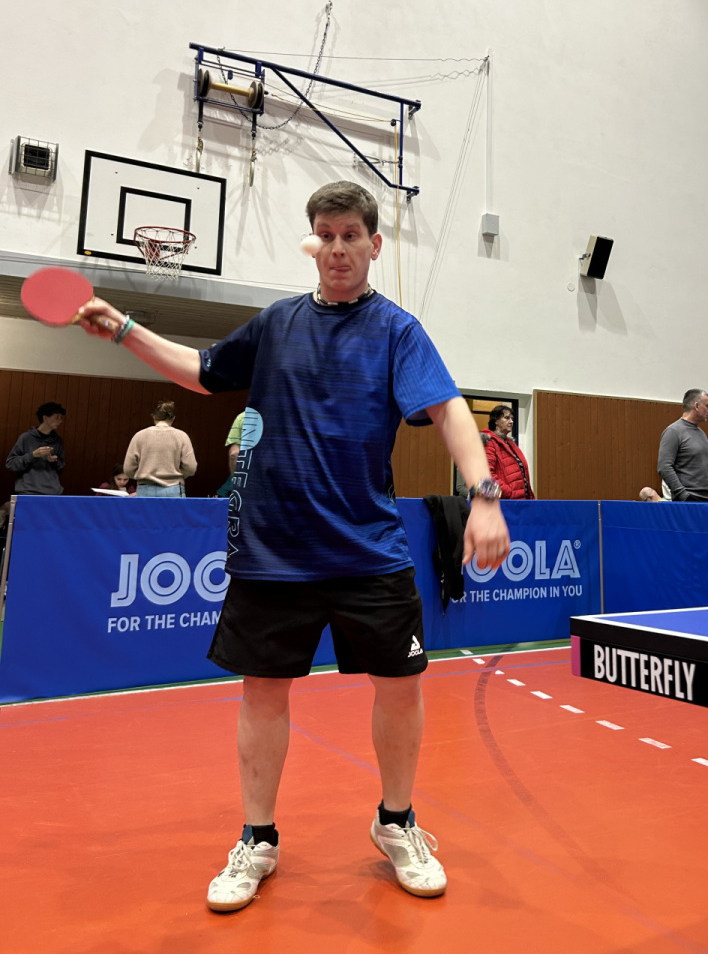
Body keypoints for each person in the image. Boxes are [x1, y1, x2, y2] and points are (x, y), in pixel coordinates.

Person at [77, 179, 510, 913]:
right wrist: (125, 329)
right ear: (314, 243)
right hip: (273, 550)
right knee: (262, 692)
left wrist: (485, 496)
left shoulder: (398, 331)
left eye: (351, 236)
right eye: (326, 235)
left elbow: (447, 410)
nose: (338, 248)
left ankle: (396, 821)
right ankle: (257, 838)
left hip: (368, 547)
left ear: (375, 245)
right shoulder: (276, 324)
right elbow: (202, 372)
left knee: (400, 687)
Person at [123, 401, 197, 497]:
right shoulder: (182, 436)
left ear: (154, 417)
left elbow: (128, 469)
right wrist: (177, 475)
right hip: (173, 489)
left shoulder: (139, 436)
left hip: (145, 489)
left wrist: (143, 474)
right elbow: (191, 468)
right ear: (173, 418)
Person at [656, 389, 708, 501]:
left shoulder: (701, 433)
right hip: (689, 500)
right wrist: (682, 495)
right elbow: (664, 467)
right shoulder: (673, 431)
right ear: (697, 406)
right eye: (707, 406)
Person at [5, 401, 66, 495]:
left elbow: (61, 467)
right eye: (57, 417)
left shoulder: (57, 441)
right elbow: (10, 464)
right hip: (28, 491)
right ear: (45, 418)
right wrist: (32, 455)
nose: (60, 421)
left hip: (52, 492)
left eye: (61, 418)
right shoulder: (26, 438)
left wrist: (53, 460)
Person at [480, 404, 534, 499]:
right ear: (496, 421)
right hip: (506, 502)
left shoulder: (511, 444)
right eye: (507, 418)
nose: (511, 421)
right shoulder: (490, 442)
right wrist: (508, 493)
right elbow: (486, 475)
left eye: (512, 418)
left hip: (521, 501)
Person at [217, 411, 245, 497]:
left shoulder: (243, 417)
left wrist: (234, 479)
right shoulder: (281, 417)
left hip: (244, 482)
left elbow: (234, 454)